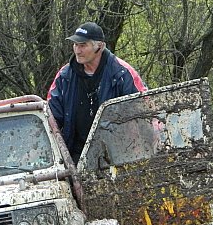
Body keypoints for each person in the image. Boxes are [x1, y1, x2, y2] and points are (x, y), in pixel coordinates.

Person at [47, 21, 146, 162]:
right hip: (75, 156)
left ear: (99, 46)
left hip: (118, 155)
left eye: (83, 45)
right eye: (75, 45)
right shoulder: (64, 76)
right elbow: (52, 118)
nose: (77, 50)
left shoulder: (122, 74)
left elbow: (143, 114)